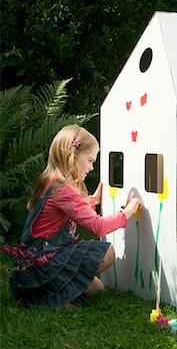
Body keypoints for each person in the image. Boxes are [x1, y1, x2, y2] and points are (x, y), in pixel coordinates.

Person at [8, 124, 142, 307]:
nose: (92, 167)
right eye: (90, 160)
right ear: (72, 156)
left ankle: (46, 295)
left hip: (29, 269)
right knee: (107, 252)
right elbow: (98, 227)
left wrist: (91, 201)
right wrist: (128, 211)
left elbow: (63, 211)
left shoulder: (52, 183)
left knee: (97, 288)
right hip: (40, 267)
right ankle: (46, 297)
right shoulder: (63, 190)